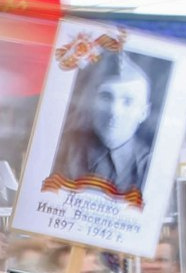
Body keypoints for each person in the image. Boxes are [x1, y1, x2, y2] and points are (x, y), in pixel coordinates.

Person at [49, 50, 158, 205]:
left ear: (143, 112)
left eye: (128, 101)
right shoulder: (62, 147)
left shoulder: (151, 166)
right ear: (92, 103)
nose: (114, 111)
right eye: (106, 97)